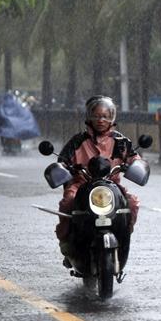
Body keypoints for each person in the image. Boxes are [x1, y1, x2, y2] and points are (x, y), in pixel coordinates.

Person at [55, 95, 141, 267]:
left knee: (132, 203)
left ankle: (124, 234)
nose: (101, 120)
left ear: (112, 118)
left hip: (111, 186)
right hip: (81, 185)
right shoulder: (78, 141)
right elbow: (62, 161)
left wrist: (137, 165)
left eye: (105, 116)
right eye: (97, 116)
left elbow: (134, 158)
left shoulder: (121, 141)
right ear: (89, 117)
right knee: (67, 202)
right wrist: (63, 168)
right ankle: (65, 242)